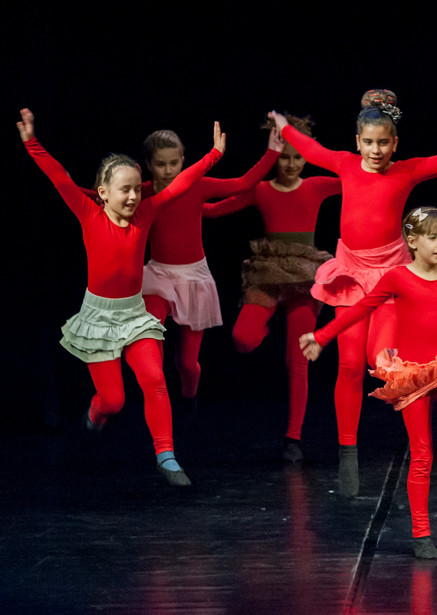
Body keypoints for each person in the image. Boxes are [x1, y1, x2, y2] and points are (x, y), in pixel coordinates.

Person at [277, 71, 437, 496]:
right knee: (350, 365)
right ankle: (348, 454)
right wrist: (282, 125)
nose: (376, 150)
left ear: (395, 144)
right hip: (350, 273)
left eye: (384, 142)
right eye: (369, 142)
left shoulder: (407, 171)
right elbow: (310, 147)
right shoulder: (344, 164)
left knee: (385, 362)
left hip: (392, 274)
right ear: (357, 141)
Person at [299, 207, 437, 559]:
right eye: (432, 238)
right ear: (411, 241)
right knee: (420, 454)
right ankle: (421, 534)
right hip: (413, 375)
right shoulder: (397, 278)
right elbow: (361, 310)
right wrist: (322, 335)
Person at [17, 108, 226, 486]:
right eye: (124, 190)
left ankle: (166, 455)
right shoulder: (88, 214)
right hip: (99, 317)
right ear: (102, 193)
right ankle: (94, 416)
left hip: (135, 315)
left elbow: (179, 186)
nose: (133, 196)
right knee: (113, 400)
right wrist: (32, 142)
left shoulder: (145, 214)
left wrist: (212, 157)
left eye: (136, 188)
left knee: (153, 377)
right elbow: (59, 178)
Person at [79, 117, 286, 413]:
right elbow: (95, 197)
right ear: (148, 164)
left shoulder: (196, 185)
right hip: (158, 275)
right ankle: (156, 393)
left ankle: (189, 398)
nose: (167, 171)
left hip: (193, 276)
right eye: (160, 164)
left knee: (188, 364)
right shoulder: (145, 191)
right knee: (150, 332)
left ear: (183, 161)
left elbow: (243, 183)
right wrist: (67, 188)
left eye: (173, 163)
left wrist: (273, 151)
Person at [203, 114, 340, 461]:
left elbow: (358, 178)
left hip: (304, 277)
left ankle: (293, 438)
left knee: (298, 360)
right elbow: (214, 211)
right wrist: (174, 197)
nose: (291, 163)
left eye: (298, 156)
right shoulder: (261, 190)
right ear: (274, 153)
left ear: (307, 156)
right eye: (284, 156)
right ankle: (267, 327)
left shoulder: (316, 186)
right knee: (242, 339)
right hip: (267, 273)